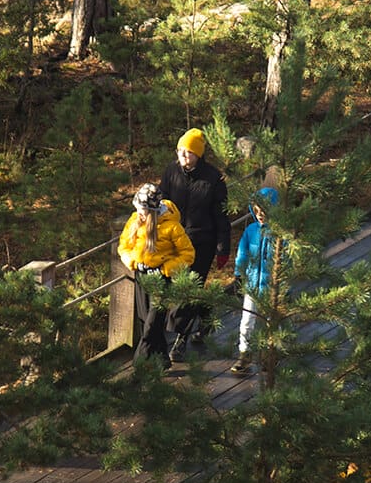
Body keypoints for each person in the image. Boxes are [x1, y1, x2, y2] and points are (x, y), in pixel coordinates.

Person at [158, 127, 229, 359]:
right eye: (180, 151)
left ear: (198, 154)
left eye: (188, 152)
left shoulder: (213, 179)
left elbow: (221, 215)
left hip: (202, 242)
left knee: (188, 289)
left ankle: (179, 340)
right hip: (174, 242)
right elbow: (161, 202)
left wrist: (222, 248)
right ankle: (206, 315)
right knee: (174, 286)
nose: (182, 156)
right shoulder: (171, 172)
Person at [117, 182, 196, 369]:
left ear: (152, 210)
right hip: (141, 277)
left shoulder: (171, 227)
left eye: (143, 210)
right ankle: (162, 360)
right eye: (138, 209)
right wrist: (132, 262)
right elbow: (123, 246)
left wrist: (166, 268)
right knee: (146, 320)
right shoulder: (134, 220)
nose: (140, 214)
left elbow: (188, 254)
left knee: (151, 324)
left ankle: (138, 365)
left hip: (161, 279)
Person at [232, 187, 278, 373]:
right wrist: (238, 274)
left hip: (272, 287)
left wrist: (284, 285)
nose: (260, 215)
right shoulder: (251, 231)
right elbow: (242, 254)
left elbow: (287, 260)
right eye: (256, 210)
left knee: (271, 322)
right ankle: (244, 353)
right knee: (247, 319)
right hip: (251, 284)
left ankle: (270, 355)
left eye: (264, 210)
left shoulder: (279, 233)